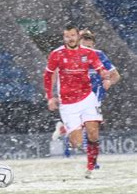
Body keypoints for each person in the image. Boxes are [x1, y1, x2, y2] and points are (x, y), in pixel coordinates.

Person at [44, 25, 110, 179]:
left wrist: (105, 76)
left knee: (93, 133)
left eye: (73, 35)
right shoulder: (57, 54)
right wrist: (50, 97)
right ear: (64, 37)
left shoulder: (88, 53)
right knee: (76, 143)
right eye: (67, 36)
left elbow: (100, 68)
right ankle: (64, 130)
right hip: (68, 103)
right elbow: (48, 76)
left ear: (77, 37)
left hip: (87, 97)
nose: (70, 39)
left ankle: (91, 168)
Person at [51, 29, 121, 163]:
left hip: (94, 98)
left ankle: (90, 160)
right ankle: (90, 161)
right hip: (76, 97)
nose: (86, 48)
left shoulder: (99, 55)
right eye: (84, 45)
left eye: (89, 46)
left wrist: (109, 82)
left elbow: (116, 76)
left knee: (91, 132)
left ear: (93, 45)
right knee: (85, 131)